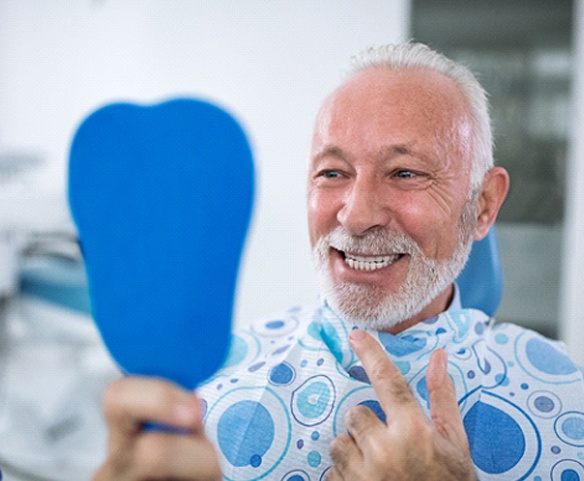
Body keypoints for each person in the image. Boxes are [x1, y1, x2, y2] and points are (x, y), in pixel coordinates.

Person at [93, 43, 584, 481]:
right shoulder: (205, 395)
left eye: (405, 172)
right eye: (333, 172)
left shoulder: (567, 399)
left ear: (483, 206)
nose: (357, 213)